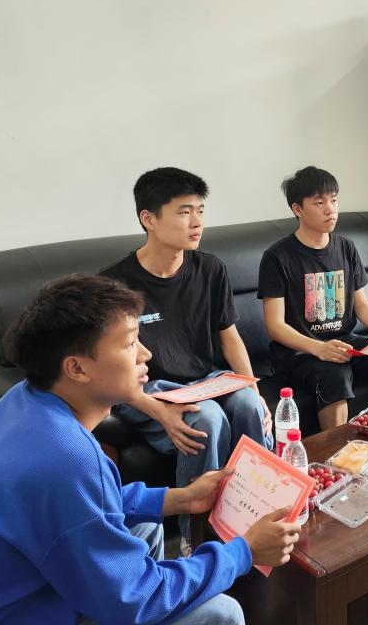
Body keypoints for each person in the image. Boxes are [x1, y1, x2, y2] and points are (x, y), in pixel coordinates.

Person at [0, 274, 299, 625]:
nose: (145, 354)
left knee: (144, 526)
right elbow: (137, 598)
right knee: (220, 613)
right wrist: (243, 552)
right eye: (129, 344)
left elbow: (83, 509)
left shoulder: (23, 401)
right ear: (77, 368)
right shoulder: (65, 458)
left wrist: (180, 498)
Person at [102, 167, 272, 552]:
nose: (196, 222)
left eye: (200, 211)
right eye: (183, 212)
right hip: (148, 388)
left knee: (247, 404)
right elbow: (110, 370)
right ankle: (195, 542)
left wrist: (254, 389)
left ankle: (258, 516)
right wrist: (160, 411)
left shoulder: (210, 268)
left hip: (205, 379)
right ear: (149, 219)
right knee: (206, 418)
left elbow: (229, 337)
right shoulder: (115, 285)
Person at [259, 165, 368, 430]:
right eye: (319, 203)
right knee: (333, 373)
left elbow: (362, 305)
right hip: (299, 352)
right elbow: (275, 326)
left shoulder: (346, 247)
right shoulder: (277, 257)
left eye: (333, 200)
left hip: (345, 343)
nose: (330, 210)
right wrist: (319, 348)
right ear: (298, 209)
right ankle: (338, 453)